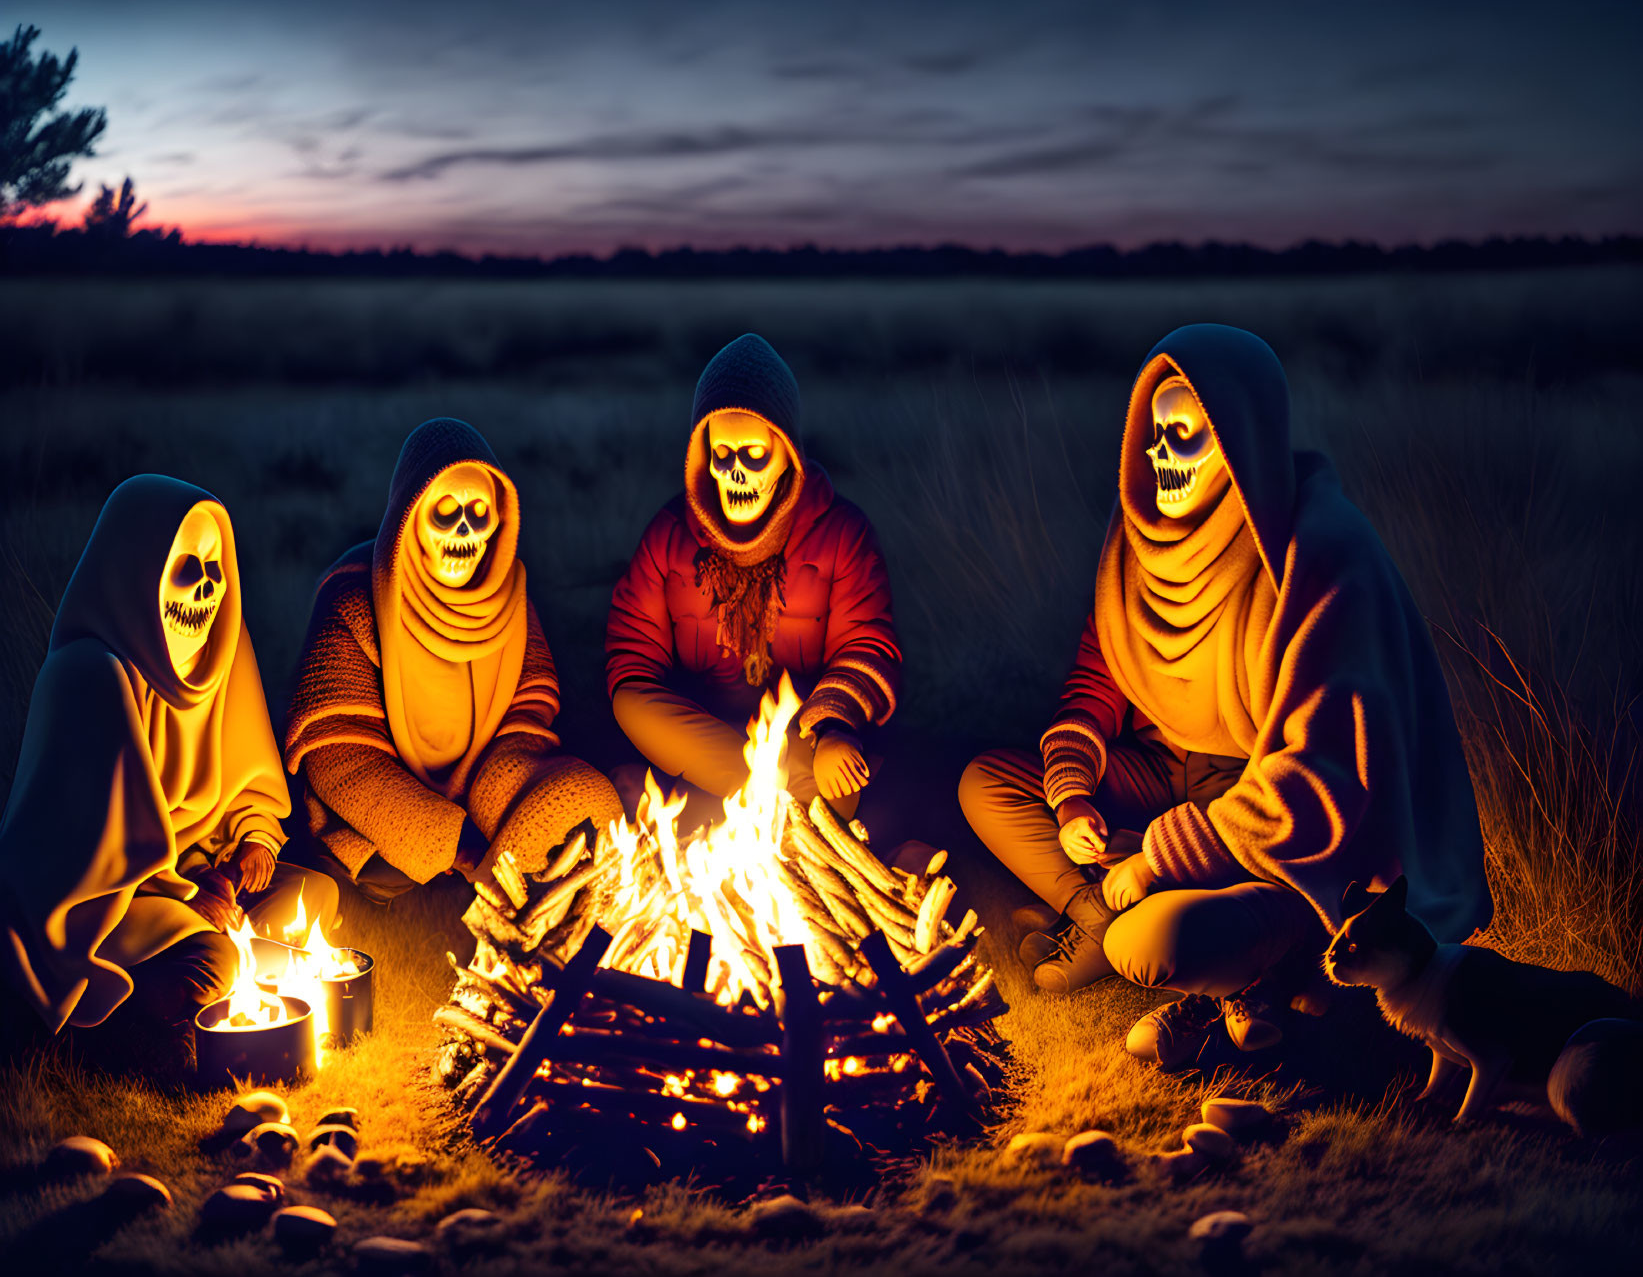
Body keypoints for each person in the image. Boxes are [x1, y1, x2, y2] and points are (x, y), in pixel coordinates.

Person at [960, 324, 1491, 1064]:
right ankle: (1094, 913)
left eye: (1185, 436)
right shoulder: (1139, 537)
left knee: (1148, 942)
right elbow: (1096, 678)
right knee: (985, 784)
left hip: (1267, 821)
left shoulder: (1320, 558)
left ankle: (1263, 954)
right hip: (1152, 777)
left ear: (1242, 437)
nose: (1157, 454)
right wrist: (1074, 790)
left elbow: (1312, 782)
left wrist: (1152, 862)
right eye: (1153, 434)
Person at [0, 476, 336, 1061]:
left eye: (215, 569)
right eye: (187, 567)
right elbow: (91, 864)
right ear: (138, 568)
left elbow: (249, 786)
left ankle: (212, 997)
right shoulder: (89, 674)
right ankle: (133, 1031)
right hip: (119, 902)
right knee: (216, 959)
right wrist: (188, 897)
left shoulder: (223, 648)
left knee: (317, 893)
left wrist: (253, 842)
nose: (206, 590)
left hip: (209, 879)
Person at [284, 418, 622, 904]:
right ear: (409, 517)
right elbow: (338, 754)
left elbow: (526, 712)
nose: (464, 527)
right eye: (446, 510)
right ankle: (447, 869)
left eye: (478, 512)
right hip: (388, 783)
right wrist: (460, 847)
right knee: (376, 844)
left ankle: (562, 896)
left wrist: (510, 781)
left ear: (498, 523)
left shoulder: (509, 598)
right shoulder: (356, 595)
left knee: (573, 802)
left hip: (483, 771)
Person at [605, 333, 903, 836]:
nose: (735, 471)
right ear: (702, 458)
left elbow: (867, 645)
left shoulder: (841, 533)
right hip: (700, 733)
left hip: (802, 736)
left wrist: (832, 728)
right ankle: (784, 812)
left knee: (843, 788)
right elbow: (632, 657)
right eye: (721, 454)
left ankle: (720, 811)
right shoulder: (668, 536)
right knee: (630, 704)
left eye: (753, 455)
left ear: (788, 455)